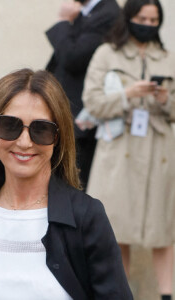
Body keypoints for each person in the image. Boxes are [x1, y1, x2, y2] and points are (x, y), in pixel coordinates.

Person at [0, 68, 133, 299]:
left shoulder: (86, 217)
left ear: (58, 138)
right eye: (9, 126)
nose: (24, 142)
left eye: (42, 129)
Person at [82, 0, 175, 299]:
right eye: (142, 18)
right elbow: (93, 102)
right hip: (118, 150)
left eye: (153, 19)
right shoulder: (107, 53)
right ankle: (118, 294)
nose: (147, 24)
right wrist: (127, 94)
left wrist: (164, 100)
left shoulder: (167, 58)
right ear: (128, 18)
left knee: (162, 228)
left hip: (158, 149)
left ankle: (166, 294)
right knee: (116, 227)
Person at [45, 0, 120, 190]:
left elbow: (72, 57)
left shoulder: (108, 13)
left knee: (70, 185)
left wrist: (63, 21)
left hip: (80, 119)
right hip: (62, 112)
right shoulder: (85, 11)